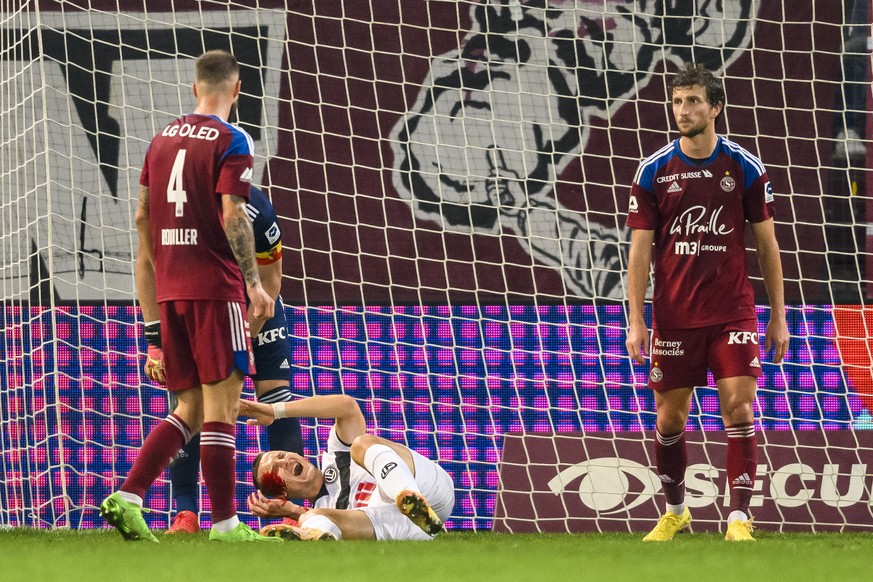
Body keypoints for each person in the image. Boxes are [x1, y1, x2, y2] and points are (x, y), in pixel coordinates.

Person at [100, 49, 279, 543]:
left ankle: (129, 496)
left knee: (190, 408)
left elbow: (140, 219)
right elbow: (234, 214)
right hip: (213, 286)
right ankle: (225, 526)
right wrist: (254, 283)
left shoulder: (161, 139)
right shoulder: (232, 137)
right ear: (237, 90)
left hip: (171, 285)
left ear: (194, 88)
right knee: (222, 406)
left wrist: (154, 317)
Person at [624, 63, 789, 542]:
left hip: (732, 312)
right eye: (677, 101)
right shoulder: (654, 170)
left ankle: (738, 517)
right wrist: (636, 321)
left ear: (716, 108)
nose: (683, 110)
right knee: (669, 418)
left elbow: (767, 245)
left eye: (693, 101)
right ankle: (676, 511)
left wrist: (777, 317)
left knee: (739, 407)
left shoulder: (744, 167)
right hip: (674, 317)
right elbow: (638, 254)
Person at [149, 185, 305, 535]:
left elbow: (271, 282)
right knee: (190, 405)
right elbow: (155, 271)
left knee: (276, 401)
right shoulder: (179, 212)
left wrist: (242, 337)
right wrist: (155, 343)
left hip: (255, 310)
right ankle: (186, 514)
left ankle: (292, 512)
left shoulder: (257, 210)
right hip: (200, 310)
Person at [239, 394, 455, 541]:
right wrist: (296, 513)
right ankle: (316, 537)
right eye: (276, 470)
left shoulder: (337, 453)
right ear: (283, 493)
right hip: (413, 527)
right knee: (312, 518)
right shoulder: (321, 509)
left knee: (362, 443)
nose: (284, 461)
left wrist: (274, 411)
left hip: (430, 488)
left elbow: (346, 406)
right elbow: (312, 513)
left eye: (281, 455)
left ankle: (410, 498)